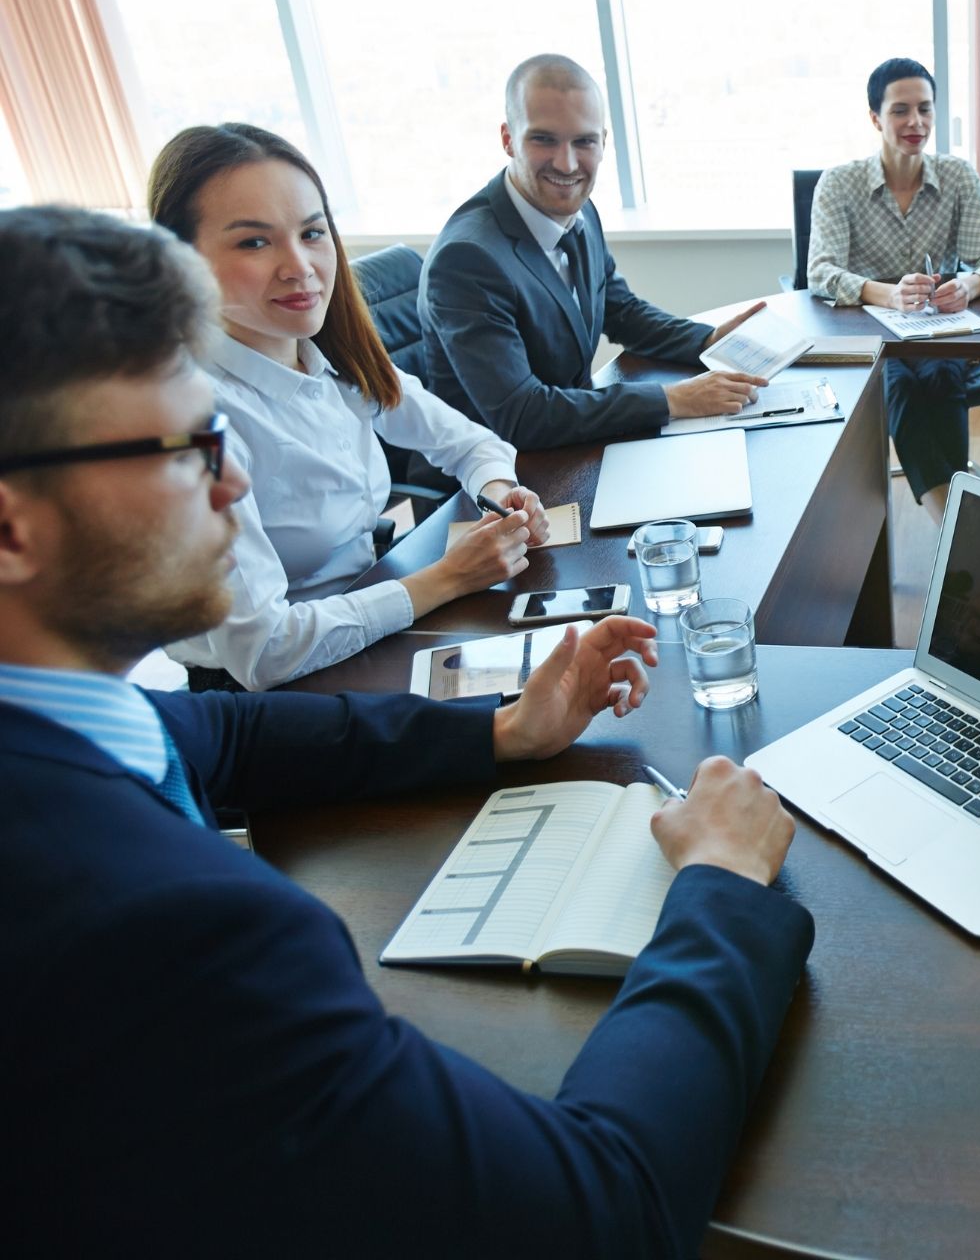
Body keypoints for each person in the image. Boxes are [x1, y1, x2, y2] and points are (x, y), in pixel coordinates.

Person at [0, 205, 813, 1255]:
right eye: (189, 447)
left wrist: (503, 732)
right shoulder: (180, 938)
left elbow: (216, 735)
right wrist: (722, 886)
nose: (234, 480)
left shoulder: (53, 718)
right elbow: (603, 1215)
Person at [145, 124, 541, 691]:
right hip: (274, 693)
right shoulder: (194, 422)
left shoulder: (329, 355)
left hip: (373, 621)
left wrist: (502, 498)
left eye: (311, 232)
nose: (299, 266)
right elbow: (265, 652)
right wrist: (448, 578)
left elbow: (471, 442)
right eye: (254, 242)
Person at [418, 53, 768, 449]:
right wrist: (674, 399)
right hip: (502, 479)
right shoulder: (467, 259)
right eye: (543, 139)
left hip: (574, 441)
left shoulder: (579, 209)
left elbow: (621, 311)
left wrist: (708, 341)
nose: (567, 164)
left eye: (583, 141)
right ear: (507, 140)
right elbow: (522, 415)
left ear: (603, 142)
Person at [808, 58, 980, 521]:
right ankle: (957, 527)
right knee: (898, 382)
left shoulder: (957, 177)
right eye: (900, 110)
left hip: (938, 330)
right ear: (875, 117)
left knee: (941, 374)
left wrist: (969, 282)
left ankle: (956, 530)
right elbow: (819, 272)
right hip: (869, 335)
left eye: (925, 109)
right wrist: (884, 293)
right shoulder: (839, 185)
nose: (915, 122)